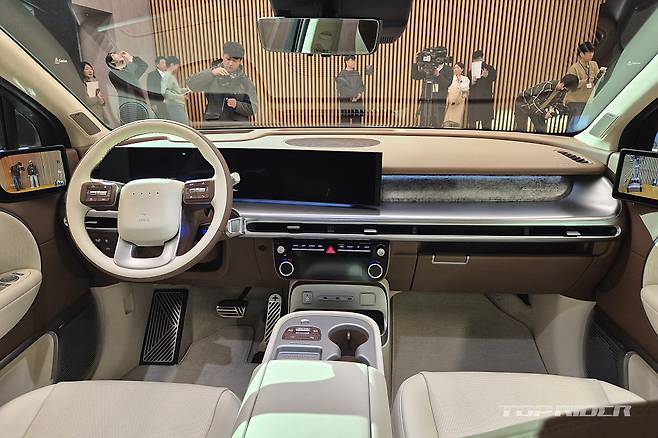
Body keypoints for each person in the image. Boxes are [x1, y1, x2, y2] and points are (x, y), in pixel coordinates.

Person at [187, 41, 258, 127]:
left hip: (238, 128)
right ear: (223, 56)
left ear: (240, 61)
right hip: (214, 126)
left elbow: (254, 108)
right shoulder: (212, 74)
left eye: (234, 61)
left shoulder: (245, 81)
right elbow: (192, 85)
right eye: (228, 59)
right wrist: (212, 73)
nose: (230, 63)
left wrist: (237, 105)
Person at [514, 74, 579, 133]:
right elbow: (533, 101)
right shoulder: (547, 86)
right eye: (563, 87)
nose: (563, 89)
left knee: (542, 129)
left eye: (566, 90)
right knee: (521, 127)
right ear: (562, 82)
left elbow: (558, 103)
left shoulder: (562, 92)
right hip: (523, 102)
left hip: (538, 107)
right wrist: (544, 114)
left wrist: (556, 111)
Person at [565, 41, 607, 132]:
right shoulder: (574, 68)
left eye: (592, 52)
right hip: (575, 101)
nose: (591, 54)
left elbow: (598, 81)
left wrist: (601, 75)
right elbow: (570, 85)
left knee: (584, 124)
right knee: (573, 125)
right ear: (581, 54)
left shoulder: (594, 64)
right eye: (589, 52)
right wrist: (586, 81)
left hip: (588, 101)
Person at [411, 47, 453, 128]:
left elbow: (447, 84)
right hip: (426, 99)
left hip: (439, 101)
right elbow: (415, 76)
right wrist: (416, 63)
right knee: (423, 123)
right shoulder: (427, 68)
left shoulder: (448, 69)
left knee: (437, 124)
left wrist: (438, 75)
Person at [105, 50, 150, 123]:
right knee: (131, 125)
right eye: (113, 55)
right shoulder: (112, 74)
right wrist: (129, 62)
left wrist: (131, 57)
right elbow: (127, 77)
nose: (118, 54)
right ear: (112, 62)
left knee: (143, 124)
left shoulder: (128, 69)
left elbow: (144, 66)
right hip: (127, 104)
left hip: (140, 101)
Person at [467, 50, 497, 129]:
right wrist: (472, 82)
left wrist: (487, 76)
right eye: (476, 60)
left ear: (482, 58)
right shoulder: (471, 71)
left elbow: (494, 78)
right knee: (472, 123)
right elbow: (467, 84)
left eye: (479, 59)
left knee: (486, 122)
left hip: (485, 99)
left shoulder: (489, 68)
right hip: (474, 98)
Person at [335, 55, 365, 125]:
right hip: (346, 101)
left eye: (354, 60)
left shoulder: (357, 73)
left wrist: (359, 94)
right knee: (345, 122)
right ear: (347, 62)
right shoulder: (342, 74)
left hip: (357, 101)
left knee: (357, 122)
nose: (354, 62)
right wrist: (353, 95)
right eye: (352, 60)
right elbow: (341, 88)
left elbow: (361, 86)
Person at [162, 55, 190, 124]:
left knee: (183, 125)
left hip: (176, 105)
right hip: (174, 106)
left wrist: (187, 89)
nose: (178, 68)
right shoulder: (167, 76)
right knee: (183, 125)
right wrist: (180, 97)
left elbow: (176, 90)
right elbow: (165, 92)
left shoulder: (170, 76)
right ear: (172, 65)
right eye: (177, 66)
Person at [443, 62, 470, 128]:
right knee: (447, 121)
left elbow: (465, 88)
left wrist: (460, 81)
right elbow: (448, 88)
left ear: (462, 69)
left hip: (460, 101)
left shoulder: (465, 79)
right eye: (454, 68)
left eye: (457, 67)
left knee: (457, 121)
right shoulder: (451, 78)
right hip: (450, 101)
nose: (455, 69)